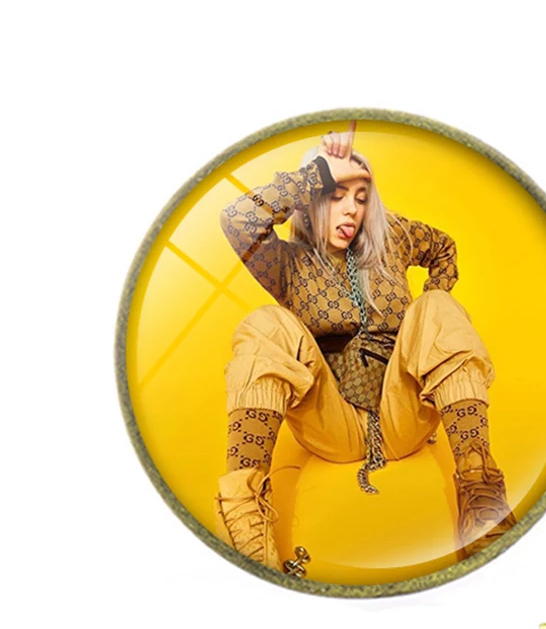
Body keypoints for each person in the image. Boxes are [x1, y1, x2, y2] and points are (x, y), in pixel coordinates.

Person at [214, 122, 516, 574]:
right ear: (311, 200)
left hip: (405, 413)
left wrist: (433, 323)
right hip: (331, 423)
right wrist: (317, 173)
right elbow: (237, 219)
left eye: (360, 197)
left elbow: (444, 249)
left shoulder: (392, 238)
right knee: (264, 323)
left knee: (436, 306)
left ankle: (481, 490)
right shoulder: (285, 265)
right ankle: (243, 515)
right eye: (337, 195)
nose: (351, 209)